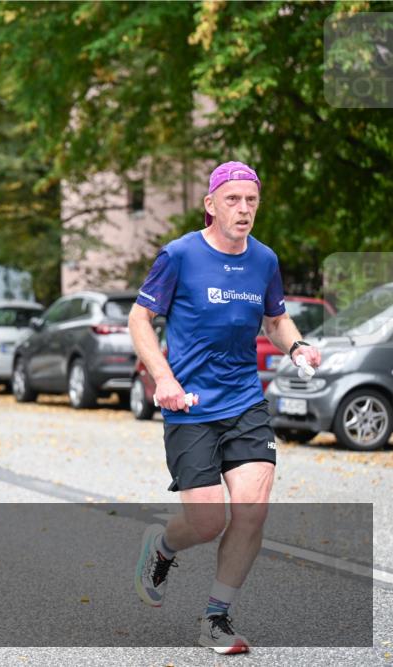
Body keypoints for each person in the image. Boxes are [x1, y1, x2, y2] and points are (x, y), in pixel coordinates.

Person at [129, 162, 322, 654]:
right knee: (208, 521)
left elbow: (275, 320)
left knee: (252, 511)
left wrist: (297, 347)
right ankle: (164, 546)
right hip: (189, 405)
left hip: (243, 401)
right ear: (210, 204)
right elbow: (140, 319)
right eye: (232, 200)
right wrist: (164, 378)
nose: (243, 209)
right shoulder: (179, 255)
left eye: (251, 201)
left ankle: (216, 617)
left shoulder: (264, 260)